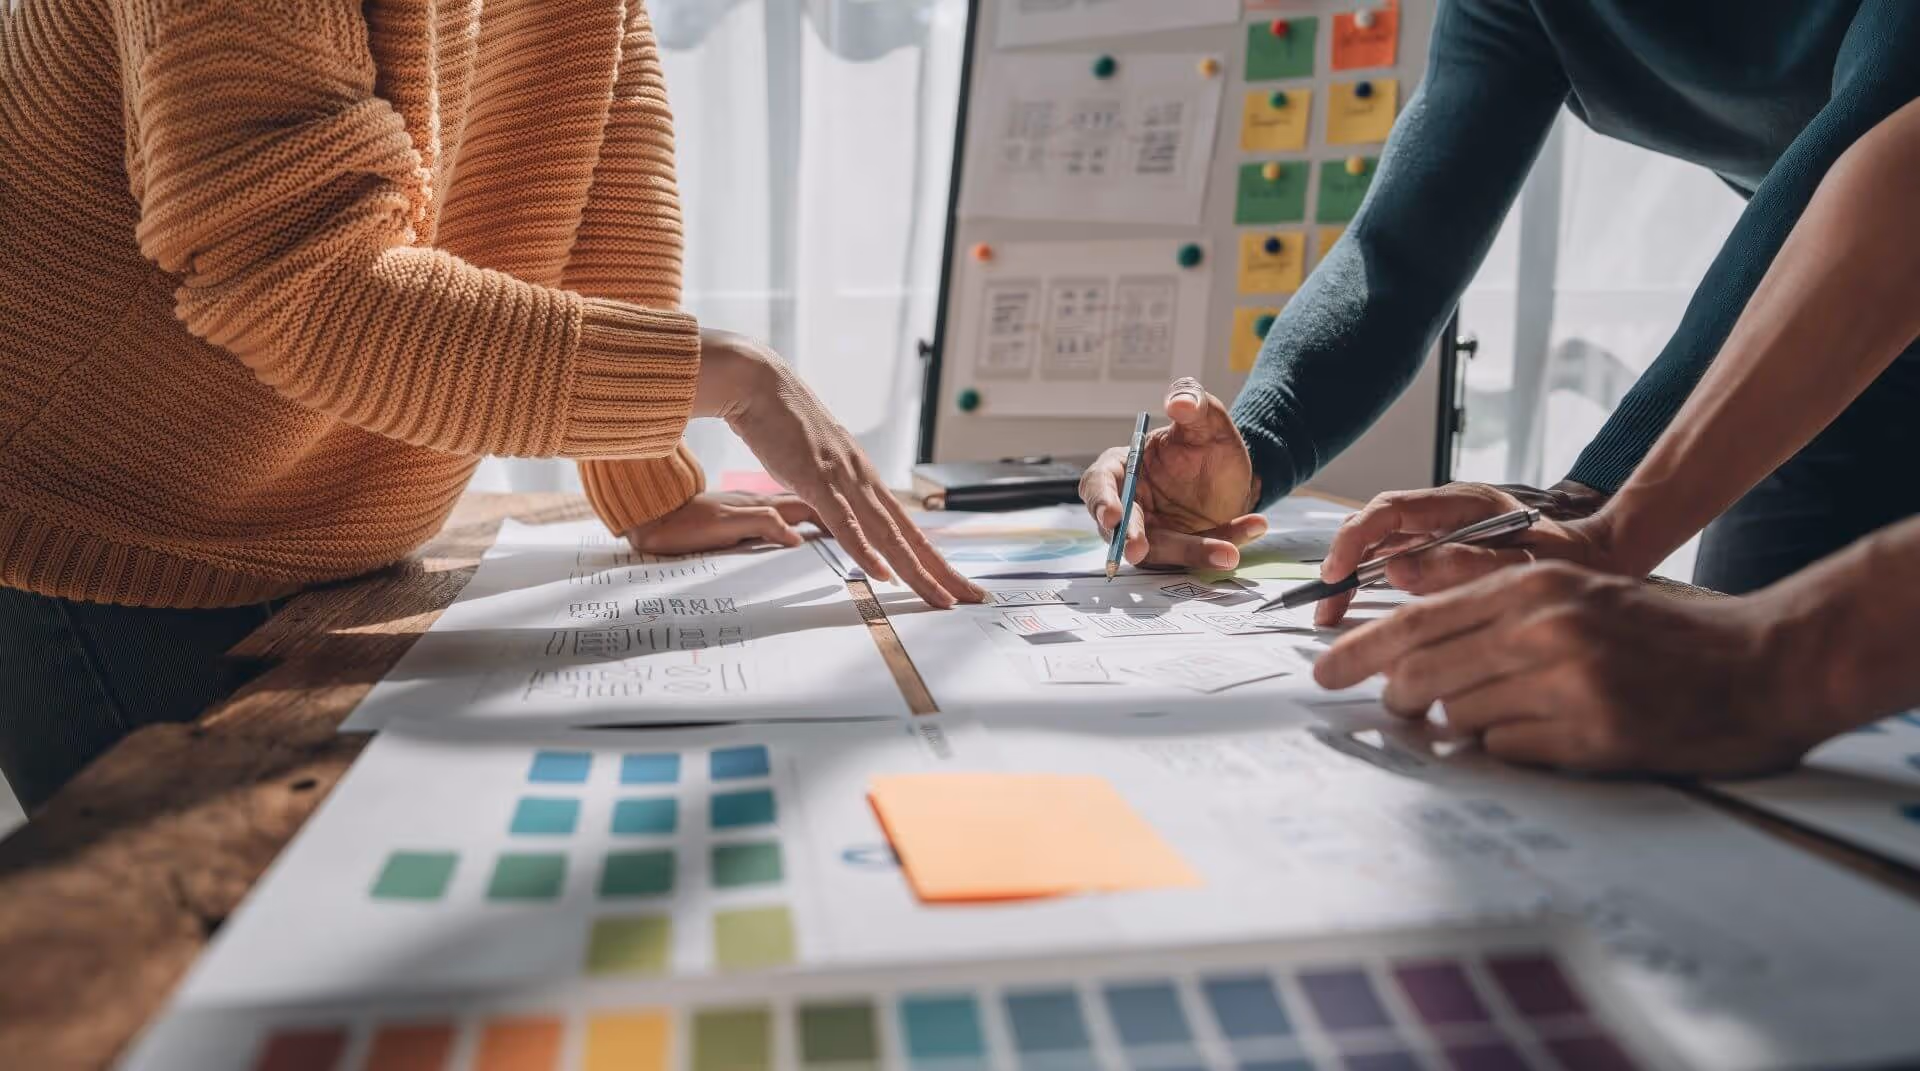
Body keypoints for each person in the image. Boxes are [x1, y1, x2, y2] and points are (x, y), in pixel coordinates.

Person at [0, 0, 980, 810]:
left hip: (338, 526)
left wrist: (650, 484)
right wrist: (736, 378)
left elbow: (611, 194)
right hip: (108, 527)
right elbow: (300, 286)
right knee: (209, 949)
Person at [1082, 0, 1920, 601]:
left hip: (1860, 274)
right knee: (1741, 712)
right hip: (1821, 348)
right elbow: (1400, 253)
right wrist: (1254, 452)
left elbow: (1876, 163)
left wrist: (1595, 502)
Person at [1304, 94, 1920, 777]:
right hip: (1839, 311)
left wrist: (1784, 658)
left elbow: (1885, 108)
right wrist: (1603, 528)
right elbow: (1903, 175)